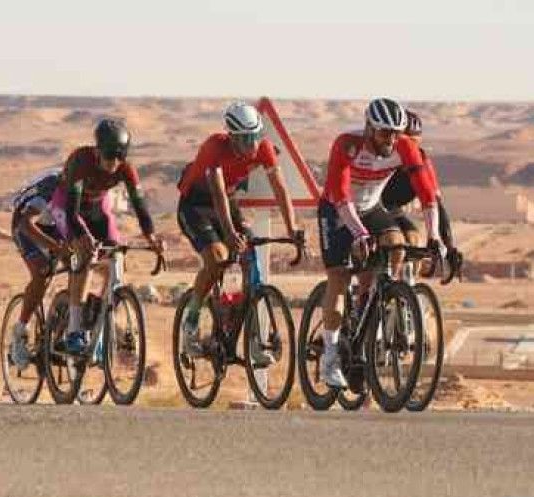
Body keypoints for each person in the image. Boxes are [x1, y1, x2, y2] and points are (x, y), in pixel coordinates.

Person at [317, 98, 442, 389]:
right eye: (386, 133)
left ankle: (370, 300)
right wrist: (359, 234)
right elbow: (341, 194)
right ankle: (331, 356)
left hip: (371, 207)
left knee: (396, 244)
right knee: (339, 277)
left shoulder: (403, 146)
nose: (392, 139)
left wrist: (434, 235)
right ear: (370, 128)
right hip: (338, 208)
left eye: (397, 133)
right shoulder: (348, 144)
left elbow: (427, 193)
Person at [177, 101, 298, 364]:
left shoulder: (263, 148)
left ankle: (246, 332)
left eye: (255, 137)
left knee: (249, 248)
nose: (252, 145)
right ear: (231, 136)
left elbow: (280, 189)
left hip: (227, 202)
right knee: (217, 257)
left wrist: (293, 228)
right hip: (197, 205)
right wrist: (230, 234)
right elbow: (218, 194)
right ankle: (192, 320)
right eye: (245, 139)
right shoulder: (214, 147)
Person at [53, 118, 164, 356]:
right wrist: (83, 237)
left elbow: (140, 206)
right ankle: (74, 330)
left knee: (116, 256)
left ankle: (97, 311)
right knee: (86, 255)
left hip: (96, 206)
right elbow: (72, 213)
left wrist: (151, 236)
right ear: (97, 151)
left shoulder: (126, 169)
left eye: (118, 157)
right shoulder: (81, 161)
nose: (113, 163)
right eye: (108, 157)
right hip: (68, 206)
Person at [381, 109, 460, 273]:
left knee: (414, 240)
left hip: (392, 208)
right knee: (395, 244)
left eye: (415, 145)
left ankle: (404, 291)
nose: (410, 151)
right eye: (406, 144)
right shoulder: (383, 156)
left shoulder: (422, 162)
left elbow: (437, 204)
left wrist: (449, 246)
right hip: (369, 206)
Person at [7, 168, 70, 368]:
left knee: (79, 266)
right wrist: (56, 247)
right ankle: (20, 330)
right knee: (42, 272)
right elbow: (26, 224)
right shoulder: (52, 186)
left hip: (55, 224)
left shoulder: (89, 188)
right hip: (25, 222)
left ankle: (60, 330)